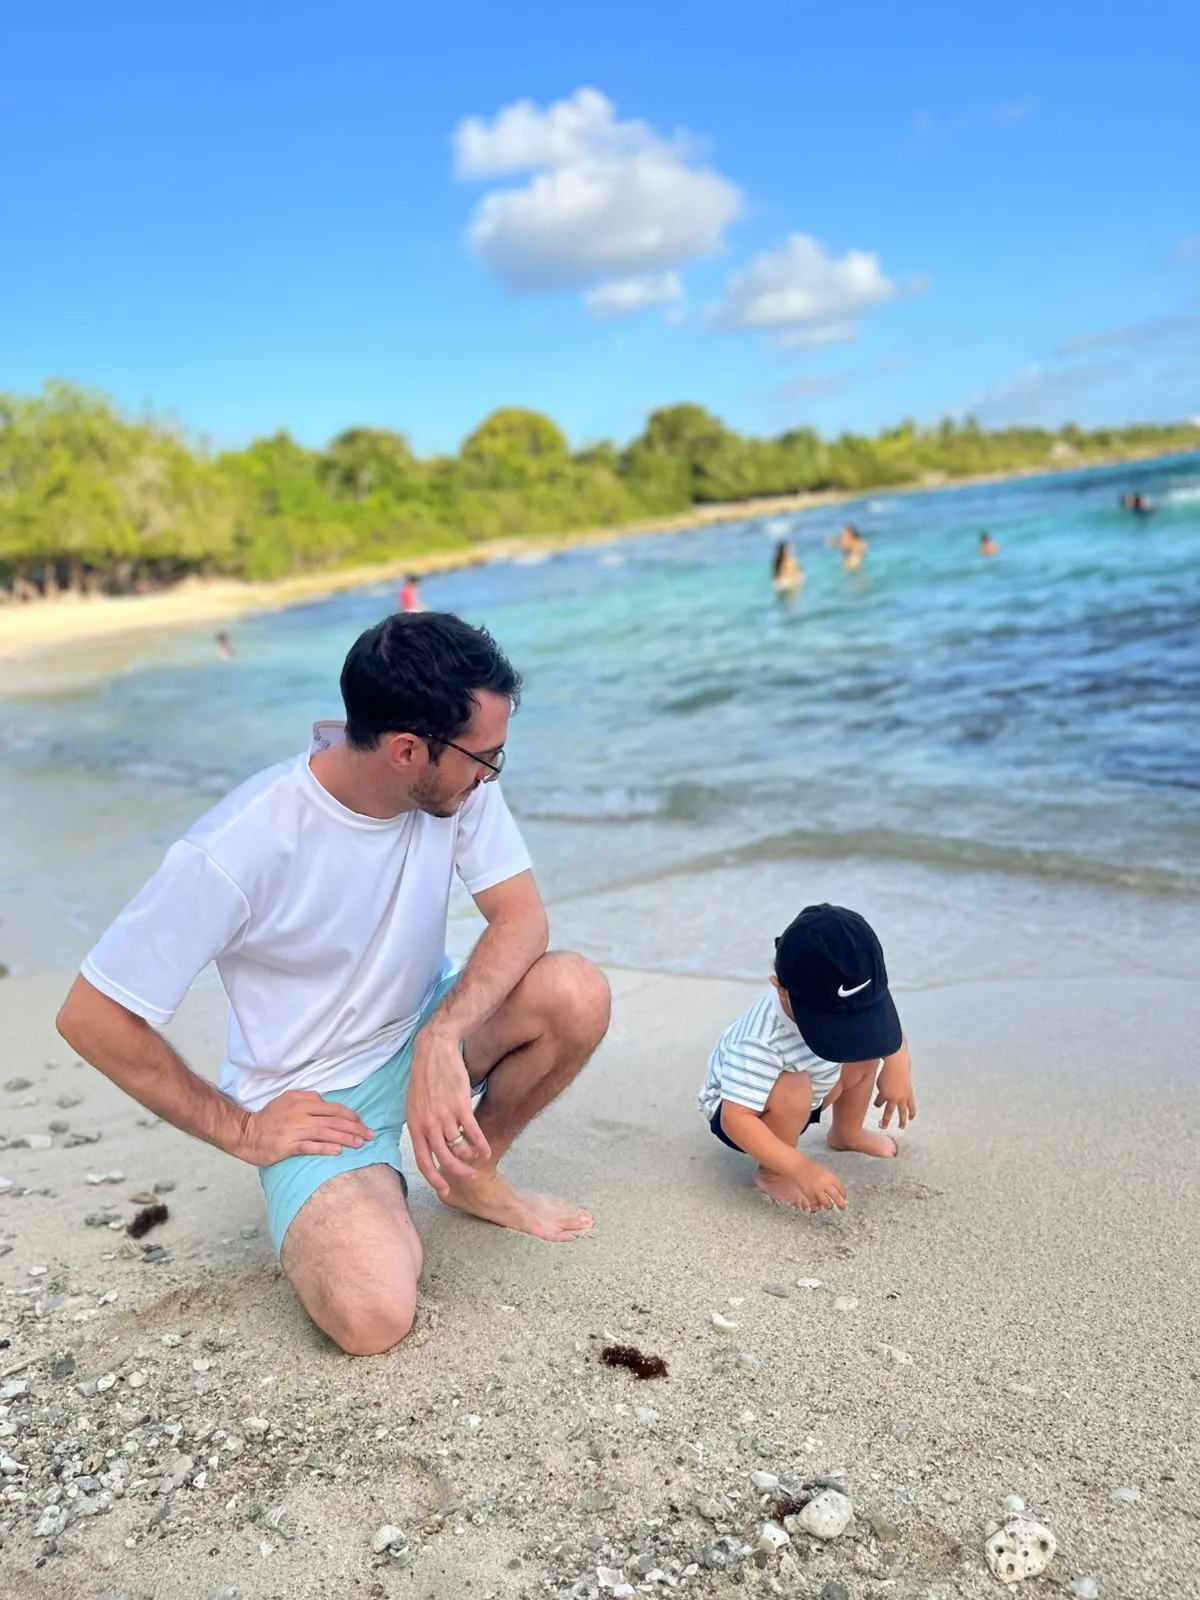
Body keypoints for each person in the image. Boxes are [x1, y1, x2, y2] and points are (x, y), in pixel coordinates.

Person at [56, 612, 611, 1357]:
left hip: (419, 1024)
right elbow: (91, 1015)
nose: (491, 772)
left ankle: (472, 1169)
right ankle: (354, 1194)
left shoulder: (456, 787)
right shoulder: (238, 847)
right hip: (315, 1099)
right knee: (373, 1317)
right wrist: (242, 1129)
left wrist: (441, 1039)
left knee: (576, 991)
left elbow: (521, 920)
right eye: (487, 755)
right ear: (407, 749)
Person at [699, 903, 915, 1213]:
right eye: (831, 1020)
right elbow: (735, 1120)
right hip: (749, 1109)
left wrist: (898, 1061)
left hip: (815, 1083)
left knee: (864, 1054)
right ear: (781, 990)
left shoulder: (857, 980)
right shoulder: (761, 1040)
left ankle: (846, 1133)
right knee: (794, 1087)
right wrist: (800, 1168)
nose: (849, 1026)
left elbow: (879, 1027)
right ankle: (772, 1173)